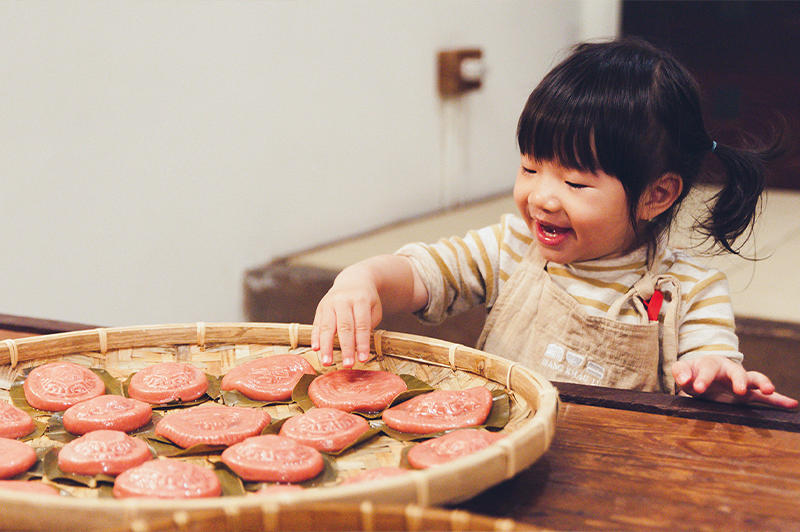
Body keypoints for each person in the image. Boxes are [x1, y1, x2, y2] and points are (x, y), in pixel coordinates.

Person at [311, 37, 797, 408]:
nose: (541, 197)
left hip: (620, 474)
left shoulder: (690, 289)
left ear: (657, 195)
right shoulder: (513, 246)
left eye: (577, 184)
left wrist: (711, 374)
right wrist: (364, 280)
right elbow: (425, 273)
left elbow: (708, 359)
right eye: (529, 168)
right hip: (502, 451)